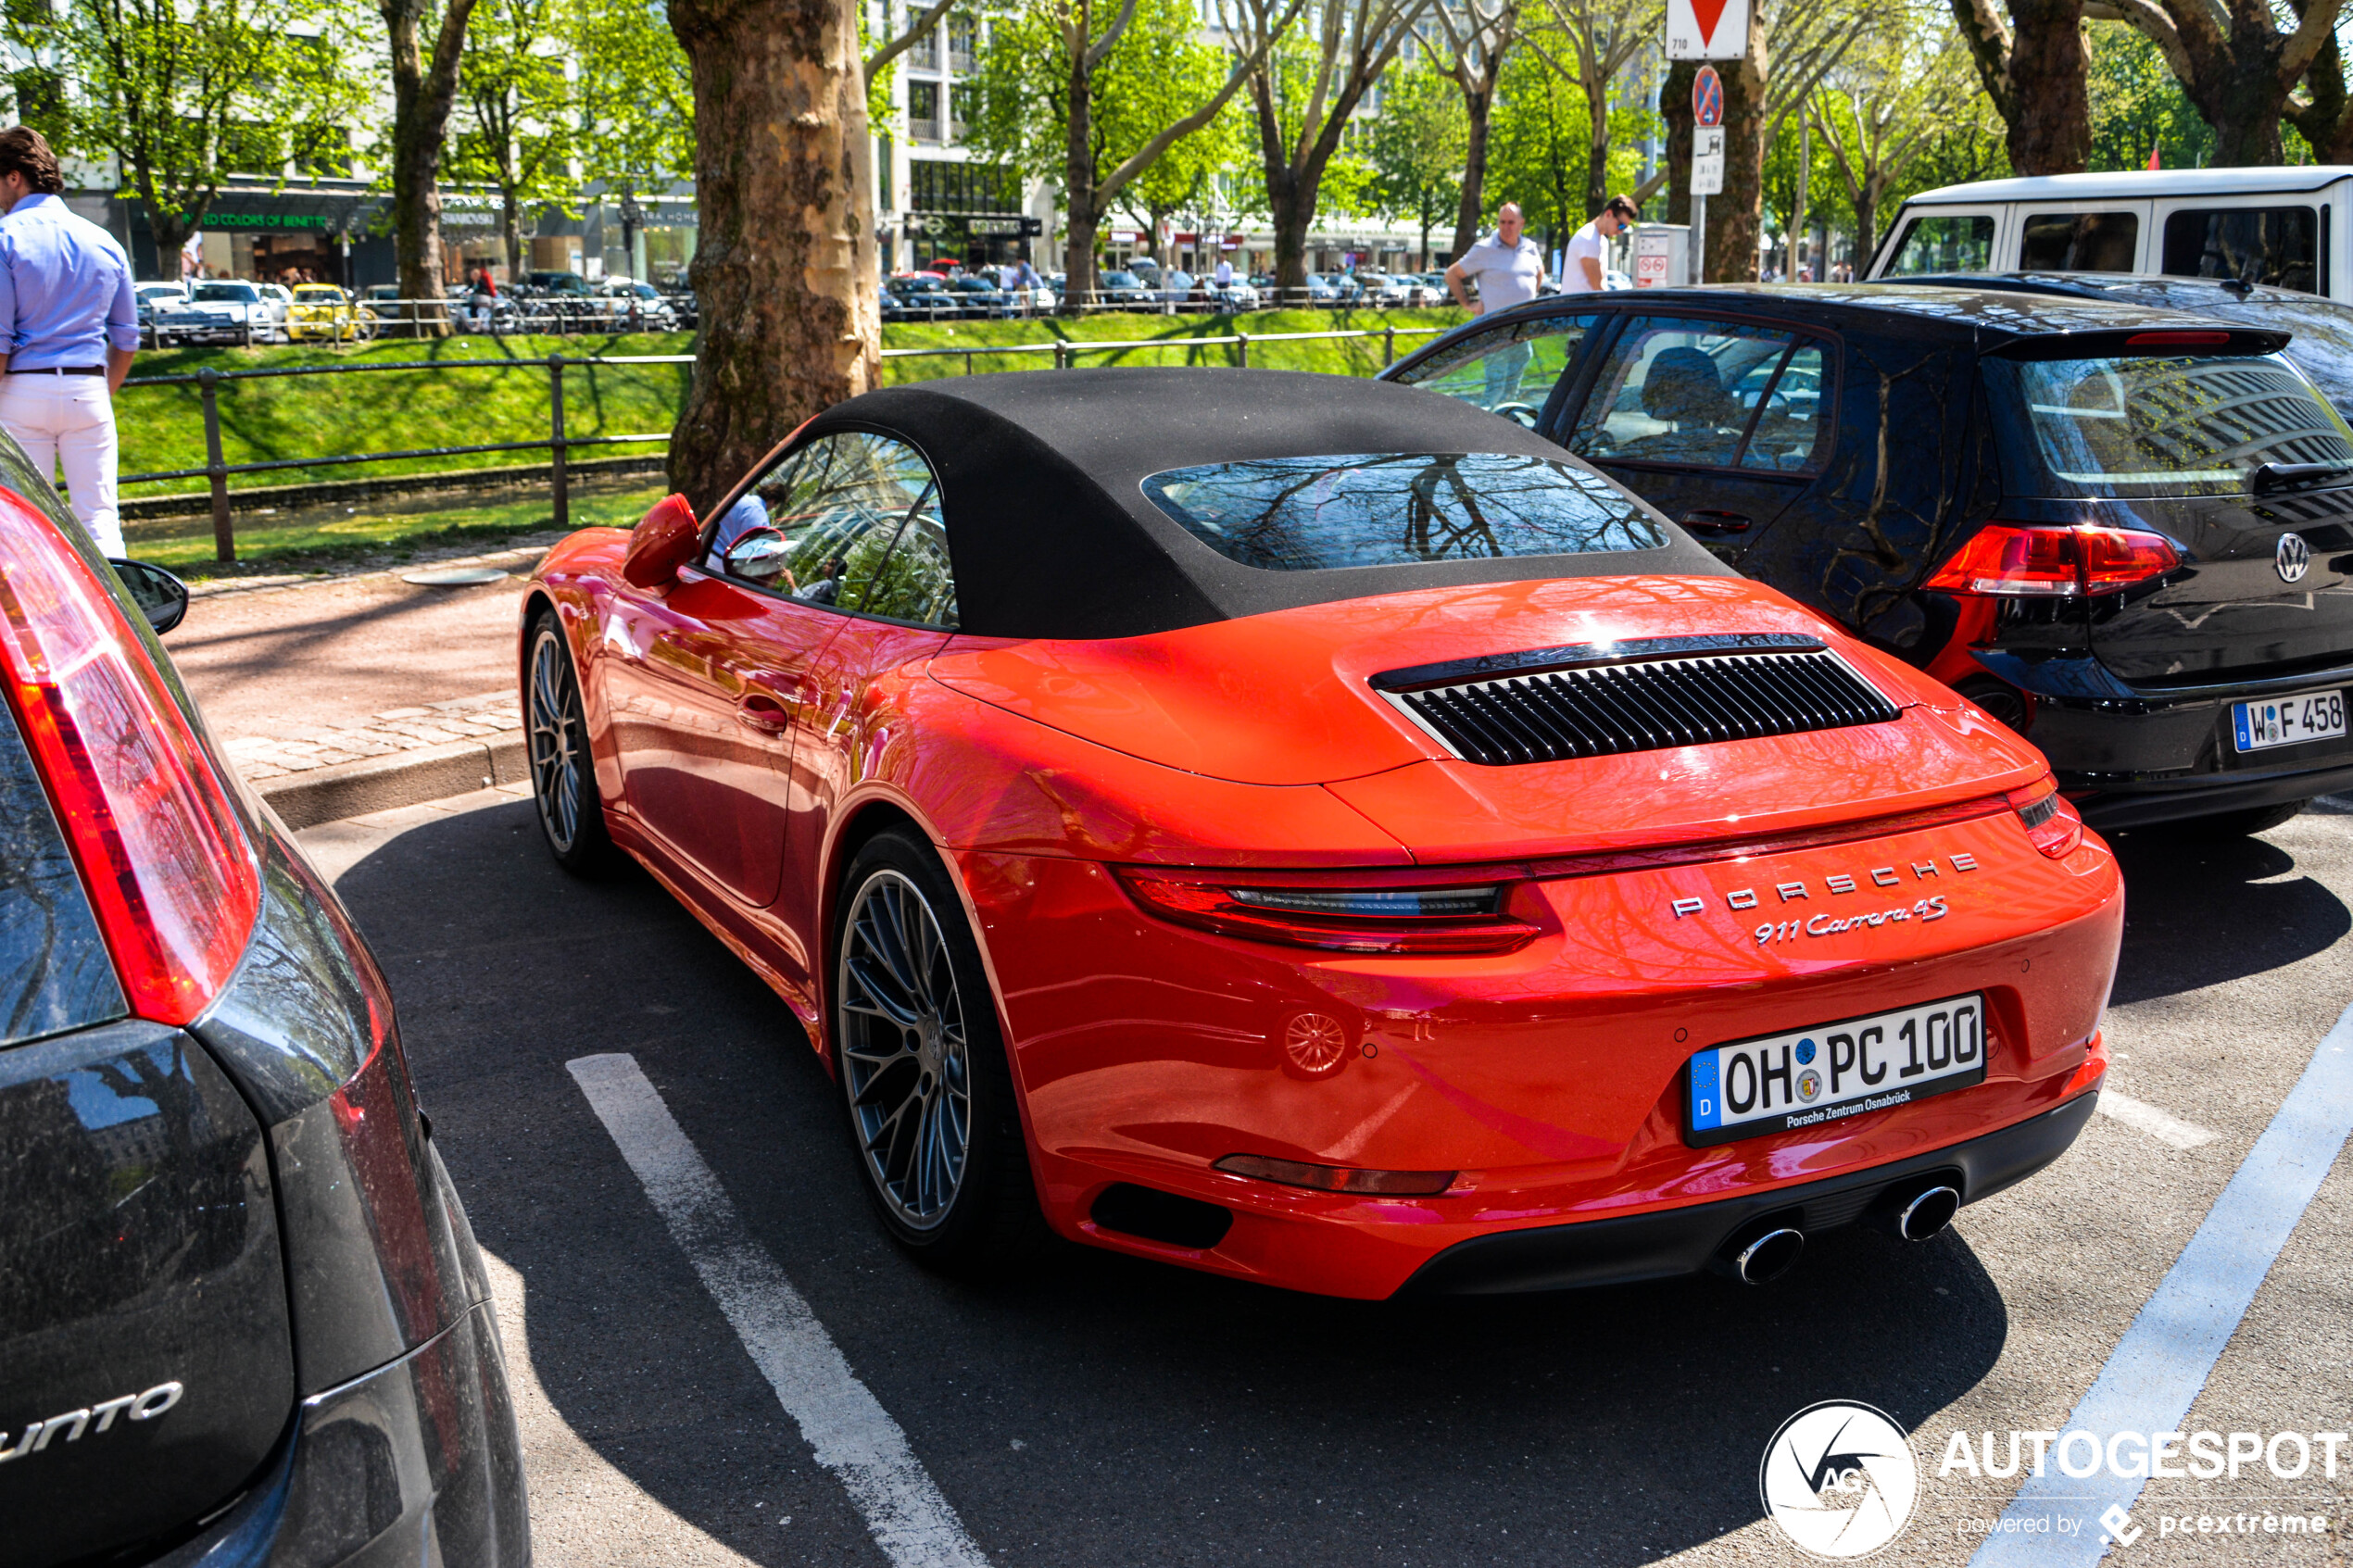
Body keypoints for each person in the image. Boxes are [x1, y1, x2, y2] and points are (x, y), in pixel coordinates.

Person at [0, 127, 138, 556]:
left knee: (25, 523)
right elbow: (127, 337)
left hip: (24, 389)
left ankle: (34, 623)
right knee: (99, 517)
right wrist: (101, 389)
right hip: (89, 388)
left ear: (14, 176)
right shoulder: (104, 241)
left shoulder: (5, 238)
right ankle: (120, 619)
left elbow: (1, 340)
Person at [1446, 203, 1549, 409]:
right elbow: (1452, 275)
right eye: (1502, 222)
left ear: (1521, 223)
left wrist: (1530, 296)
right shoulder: (1485, 249)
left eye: (1511, 222)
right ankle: (1484, 428)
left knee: (1513, 389)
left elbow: (1539, 271)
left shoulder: (1530, 247)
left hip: (1523, 331)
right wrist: (1468, 304)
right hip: (1495, 331)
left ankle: (1508, 422)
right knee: (1496, 386)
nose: (1506, 227)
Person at [1562, 194, 1639, 295]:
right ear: (1608, 214)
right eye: (1621, 225)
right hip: (1577, 308)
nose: (1621, 231)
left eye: (1624, 228)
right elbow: (1597, 288)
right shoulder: (1588, 238)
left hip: (1584, 307)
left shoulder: (1601, 240)